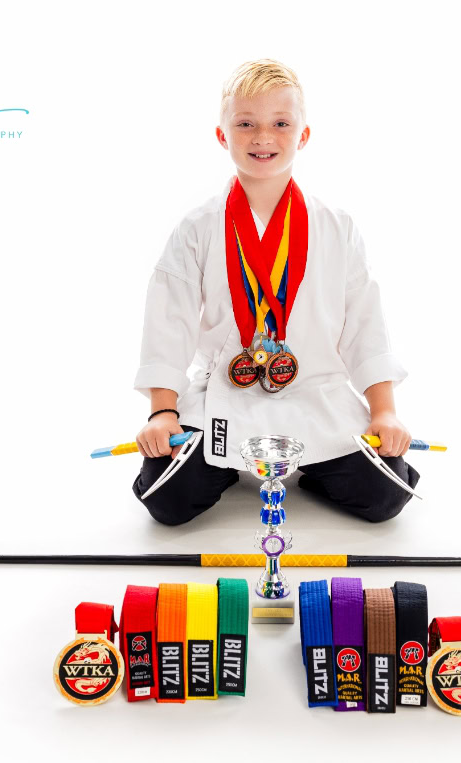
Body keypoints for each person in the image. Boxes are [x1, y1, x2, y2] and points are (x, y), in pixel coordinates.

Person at [131, 59, 420, 525]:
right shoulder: (198, 227)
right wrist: (163, 412)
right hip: (229, 392)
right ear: (223, 135)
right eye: (245, 124)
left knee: (385, 494)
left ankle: (311, 464)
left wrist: (383, 412)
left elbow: (365, 321)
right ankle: (229, 466)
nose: (262, 137)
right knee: (168, 499)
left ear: (303, 135)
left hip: (314, 394)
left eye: (280, 124)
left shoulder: (335, 225)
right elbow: (169, 320)